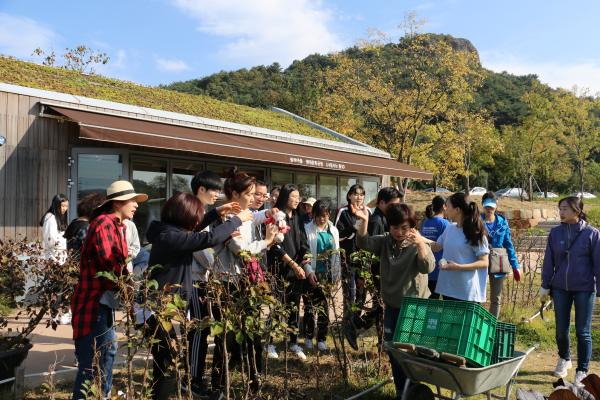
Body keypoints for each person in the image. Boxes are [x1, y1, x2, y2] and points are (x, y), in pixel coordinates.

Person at [144, 192, 253, 400]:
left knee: (165, 367)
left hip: (163, 310)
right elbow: (208, 238)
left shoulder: (170, 231)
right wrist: (238, 219)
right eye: (197, 215)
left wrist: (215, 213)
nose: (198, 220)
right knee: (168, 370)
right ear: (185, 215)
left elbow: (195, 229)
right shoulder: (171, 237)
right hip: (157, 310)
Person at [71, 181, 147, 400]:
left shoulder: (117, 225)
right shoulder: (105, 222)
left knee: (106, 354)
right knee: (91, 363)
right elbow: (109, 259)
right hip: (95, 301)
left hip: (104, 301)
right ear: (117, 202)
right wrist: (128, 284)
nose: (136, 205)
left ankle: (103, 395)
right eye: (132, 200)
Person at [353, 202, 435, 398]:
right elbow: (363, 243)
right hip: (391, 307)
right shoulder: (385, 241)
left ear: (412, 227)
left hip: (415, 308)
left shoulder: (418, 243)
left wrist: (420, 244)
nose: (399, 232)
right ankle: (402, 392)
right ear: (389, 226)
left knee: (410, 353)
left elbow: (427, 268)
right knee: (393, 351)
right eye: (395, 227)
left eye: (404, 228)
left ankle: (414, 391)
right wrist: (364, 221)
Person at [210, 167, 278, 396]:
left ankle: (254, 384)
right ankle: (220, 387)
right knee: (226, 338)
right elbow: (241, 250)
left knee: (253, 334)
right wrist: (267, 243)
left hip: (246, 282)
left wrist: (272, 215)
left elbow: (258, 216)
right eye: (250, 194)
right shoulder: (225, 217)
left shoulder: (245, 213)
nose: (255, 198)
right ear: (236, 194)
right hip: (228, 283)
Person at [539, 196, 600, 387]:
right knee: (560, 330)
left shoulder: (592, 233)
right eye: (560, 209)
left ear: (577, 211)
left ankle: (582, 371)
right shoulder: (555, 232)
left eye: (565, 209)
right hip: (560, 288)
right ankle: (564, 358)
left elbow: (599, 265)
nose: (561, 212)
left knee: (583, 331)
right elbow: (548, 259)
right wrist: (544, 284)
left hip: (585, 288)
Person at [268, 183, 310, 359]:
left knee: (294, 307)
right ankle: (269, 343)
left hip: (296, 271)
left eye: (298, 196)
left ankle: (294, 343)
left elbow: (303, 243)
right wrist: (295, 265)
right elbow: (276, 248)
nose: (297, 199)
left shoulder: (299, 220)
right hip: (279, 270)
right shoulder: (277, 218)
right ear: (285, 197)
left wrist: (306, 255)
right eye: (294, 196)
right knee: (275, 307)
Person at [425, 193, 490, 303]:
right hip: (448, 289)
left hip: (466, 291)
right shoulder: (449, 229)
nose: (446, 209)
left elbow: (484, 262)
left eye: (448, 206)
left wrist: (458, 267)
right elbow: (436, 247)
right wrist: (418, 238)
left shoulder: (475, 232)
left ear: (457, 210)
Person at [335, 184, 369, 350]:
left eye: (361, 194)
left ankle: (356, 324)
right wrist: (352, 228)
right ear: (349, 196)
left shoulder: (367, 211)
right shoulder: (343, 212)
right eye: (355, 194)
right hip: (348, 258)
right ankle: (347, 324)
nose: (359, 197)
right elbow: (337, 235)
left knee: (362, 293)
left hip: (363, 259)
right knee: (349, 292)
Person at [303, 200, 340, 350]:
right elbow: (304, 253)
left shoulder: (333, 230)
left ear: (329, 214)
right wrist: (309, 272)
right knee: (310, 307)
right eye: (318, 215)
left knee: (325, 307)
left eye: (324, 216)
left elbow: (337, 253)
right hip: (312, 274)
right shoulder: (307, 229)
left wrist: (336, 274)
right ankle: (308, 337)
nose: (321, 219)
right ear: (313, 214)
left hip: (327, 276)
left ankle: (322, 339)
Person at [480, 192, 521, 318]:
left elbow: (508, 245)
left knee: (496, 298)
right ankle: (475, 326)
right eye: (486, 206)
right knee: (477, 296)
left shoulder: (503, 222)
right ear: (482, 205)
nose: (489, 209)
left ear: (497, 205)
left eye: (492, 206)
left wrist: (515, 266)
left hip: (498, 261)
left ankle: (492, 328)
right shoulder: (476, 220)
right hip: (480, 260)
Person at [420, 195, 450, 300]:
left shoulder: (425, 223)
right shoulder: (445, 223)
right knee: (447, 304)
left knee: (430, 303)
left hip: (427, 267)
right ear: (444, 207)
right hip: (440, 269)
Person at [64, 193, 106, 261]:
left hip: (72, 266)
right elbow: (91, 254)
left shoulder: (74, 223)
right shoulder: (86, 228)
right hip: (84, 268)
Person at [40, 194, 69, 264]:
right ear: (56, 205)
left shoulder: (58, 217)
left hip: (59, 257)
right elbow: (50, 240)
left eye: (67, 206)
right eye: (63, 206)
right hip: (53, 258)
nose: (65, 208)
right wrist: (66, 241)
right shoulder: (50, 218)